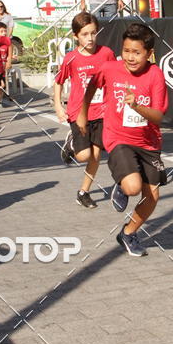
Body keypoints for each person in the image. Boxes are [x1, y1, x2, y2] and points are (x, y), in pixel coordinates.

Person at [77, 22, 168, 257]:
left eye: (136, 52)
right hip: (118, 137)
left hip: (148, 142)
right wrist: (82, 113)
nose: (130, 57)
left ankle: (127, 233)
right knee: (133, 186)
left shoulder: (155, 74)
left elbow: (158, 116)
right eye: (126, 50)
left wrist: (136, 105)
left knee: (152, 196)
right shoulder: (110, 69)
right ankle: (122, 183)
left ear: (149, 54)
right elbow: (91, 86)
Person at [53, 12, 115, 208]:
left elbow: (115, 79)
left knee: (96, 156)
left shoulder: (107, 54)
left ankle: (83, 192)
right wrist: (58, 106)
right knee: (83, 156)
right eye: (85, 34)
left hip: (102, 112)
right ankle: (71, 144)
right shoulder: (71, 58)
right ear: (75, 36)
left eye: (93, 33)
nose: (90, 38)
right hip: (78, 113)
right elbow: (58, 82)